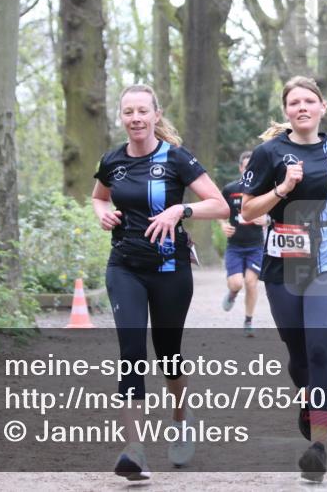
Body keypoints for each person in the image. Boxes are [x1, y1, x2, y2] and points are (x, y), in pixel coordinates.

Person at [91, 84, 229, 480]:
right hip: (125, 267)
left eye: (142, 112)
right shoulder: (112, 161)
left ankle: (181, 418)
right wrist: (102, 213)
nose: (135, 118)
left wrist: (179, 210)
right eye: (128, 112)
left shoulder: (176, 158)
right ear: (121, 117)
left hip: (170, 270)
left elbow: (219, 204)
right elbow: (99, 196)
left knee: (168, 353)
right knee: (131, 351)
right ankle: (134, 450)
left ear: (155, 115)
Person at [240, 76, 327, 483]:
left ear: (322, 107)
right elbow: (247, 211)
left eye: (309, 101)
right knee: (297, 352)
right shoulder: (268, 153)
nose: (302, 107)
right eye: (294, 102)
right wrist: (282, 189)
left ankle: (318, 443)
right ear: (286, 112)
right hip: (285, 262)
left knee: (318, 347)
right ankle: (307, 402)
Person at [219, 150, 268, 337]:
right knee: (237, 283)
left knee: (251, 282)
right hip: (235, 246)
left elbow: (273, 214)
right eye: (246, 167)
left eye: (252, 168)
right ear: (241, 168)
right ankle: (232, 293)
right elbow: (219, 211)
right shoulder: (230, 190)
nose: (249, 171)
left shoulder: (263, 190)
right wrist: (223, 225)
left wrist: (266, 220)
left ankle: (248, 320)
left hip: (255, 245)